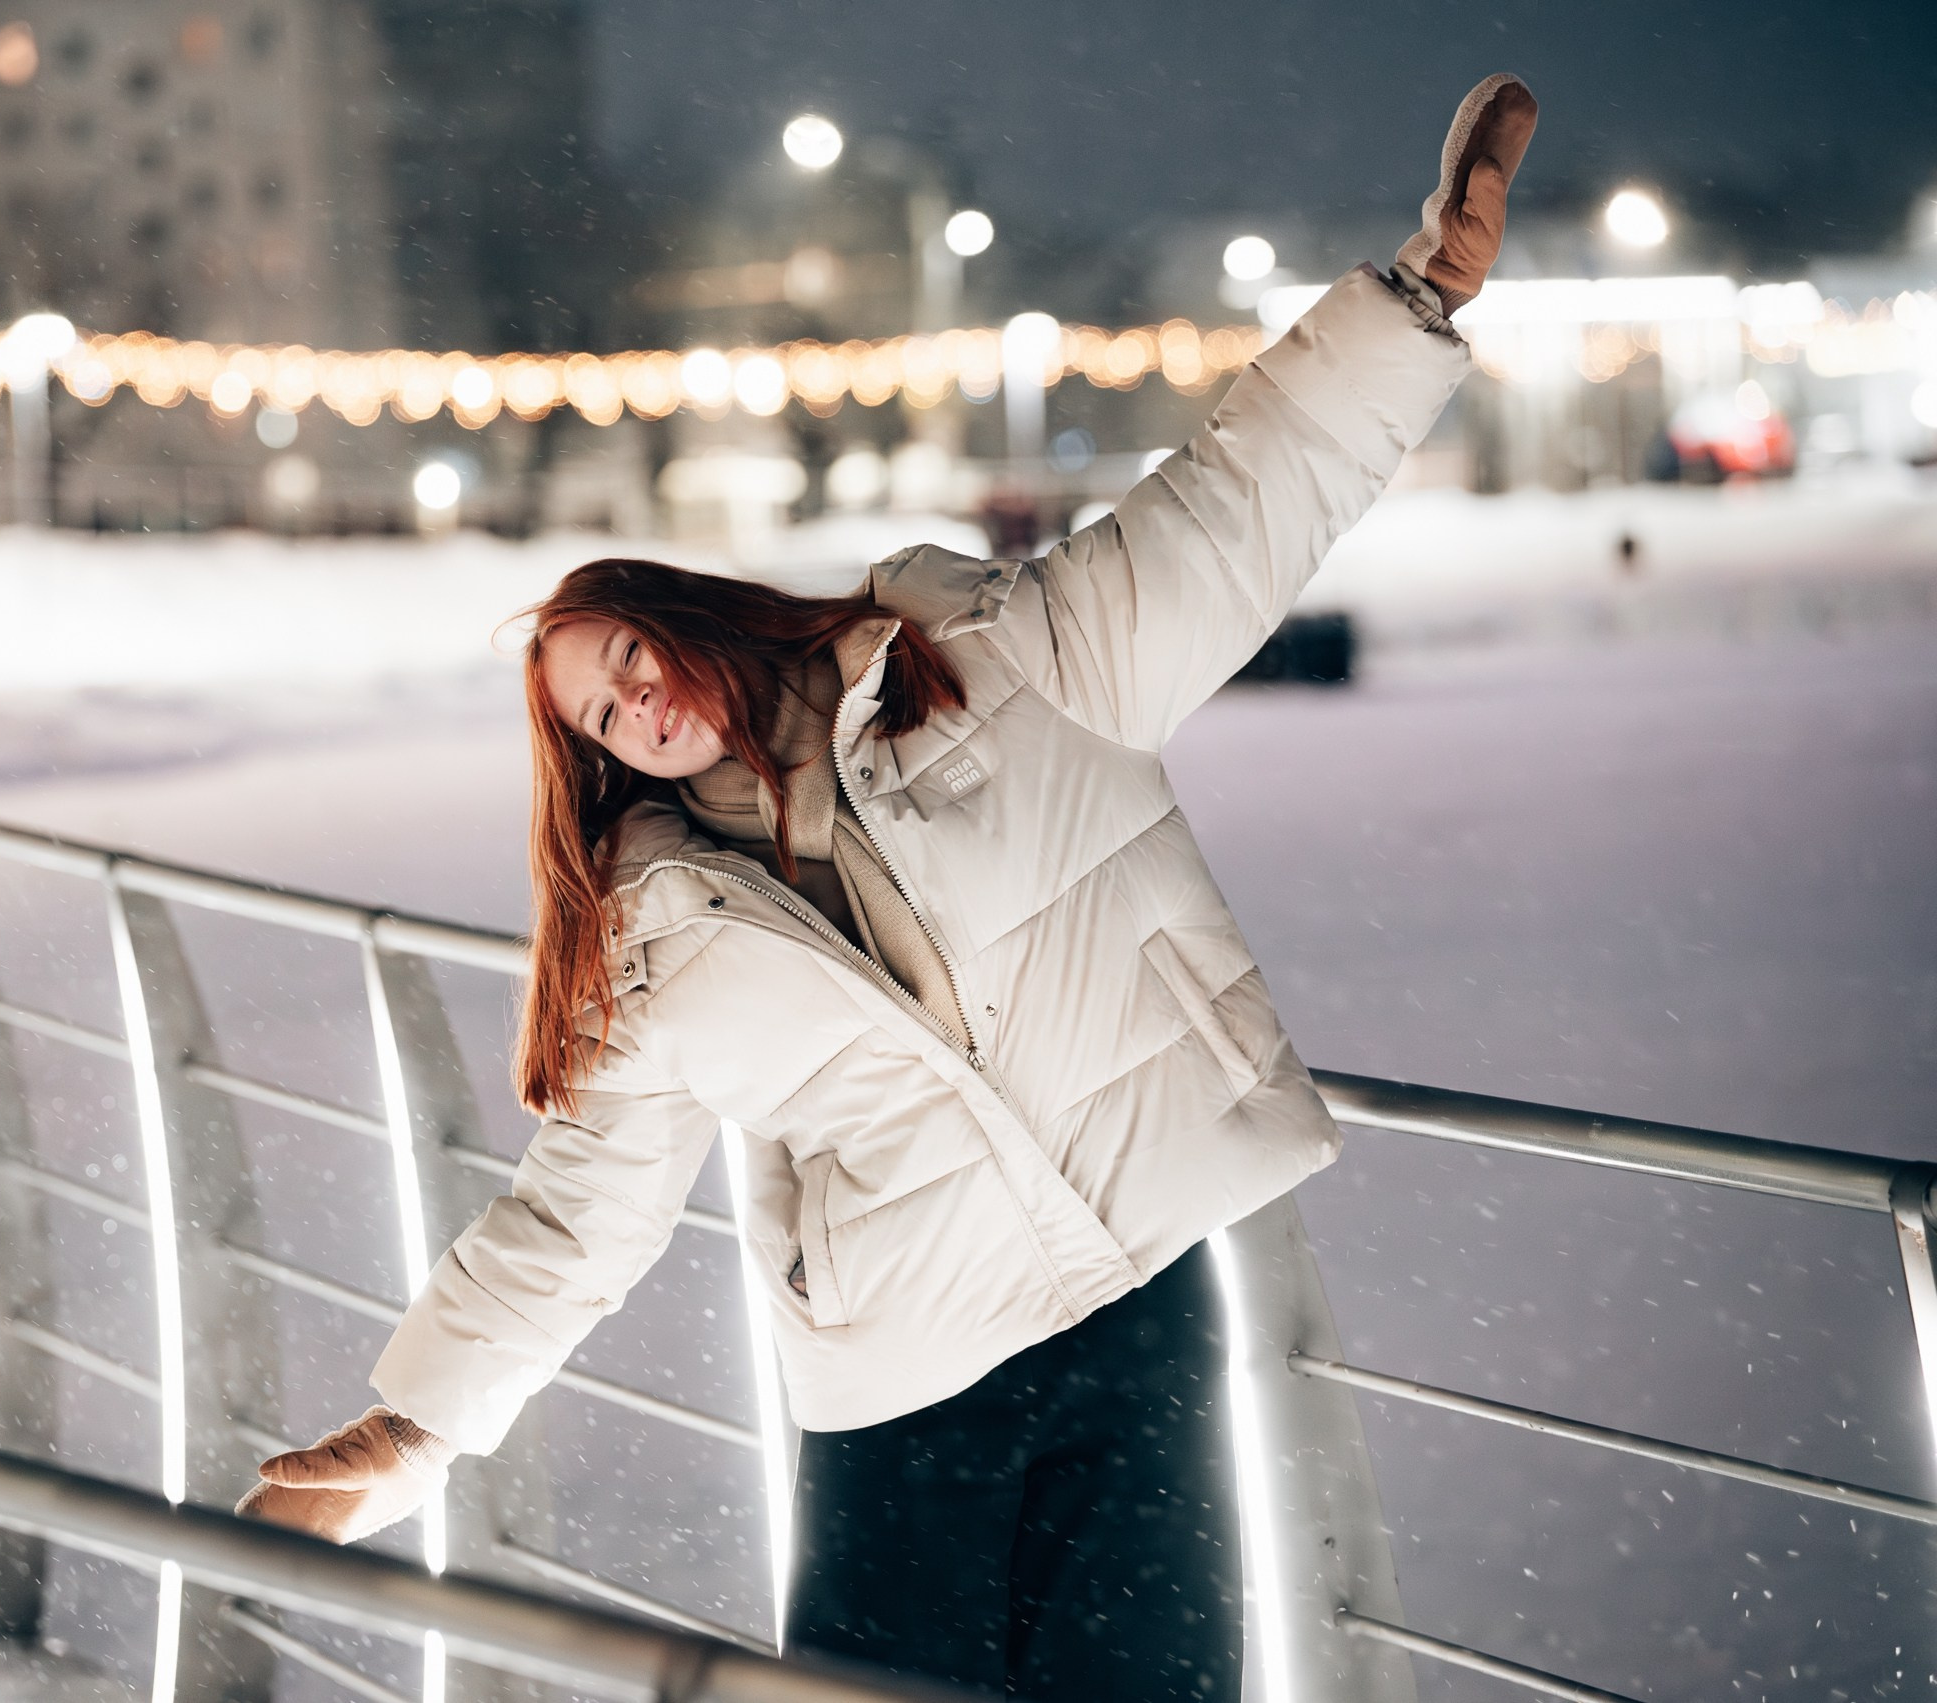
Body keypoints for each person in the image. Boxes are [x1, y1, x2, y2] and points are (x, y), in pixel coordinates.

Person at [238, 74, 1539, 1700]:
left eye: (630, 657)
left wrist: (1416, 302)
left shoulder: (993, 663)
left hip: (1136, 1311)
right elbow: (579, 1210)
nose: (636, 706)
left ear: (686, 612)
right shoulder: (657, 939)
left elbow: (1228, 513)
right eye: (601, 717)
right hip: (904, 1381)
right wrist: (413, 1426)